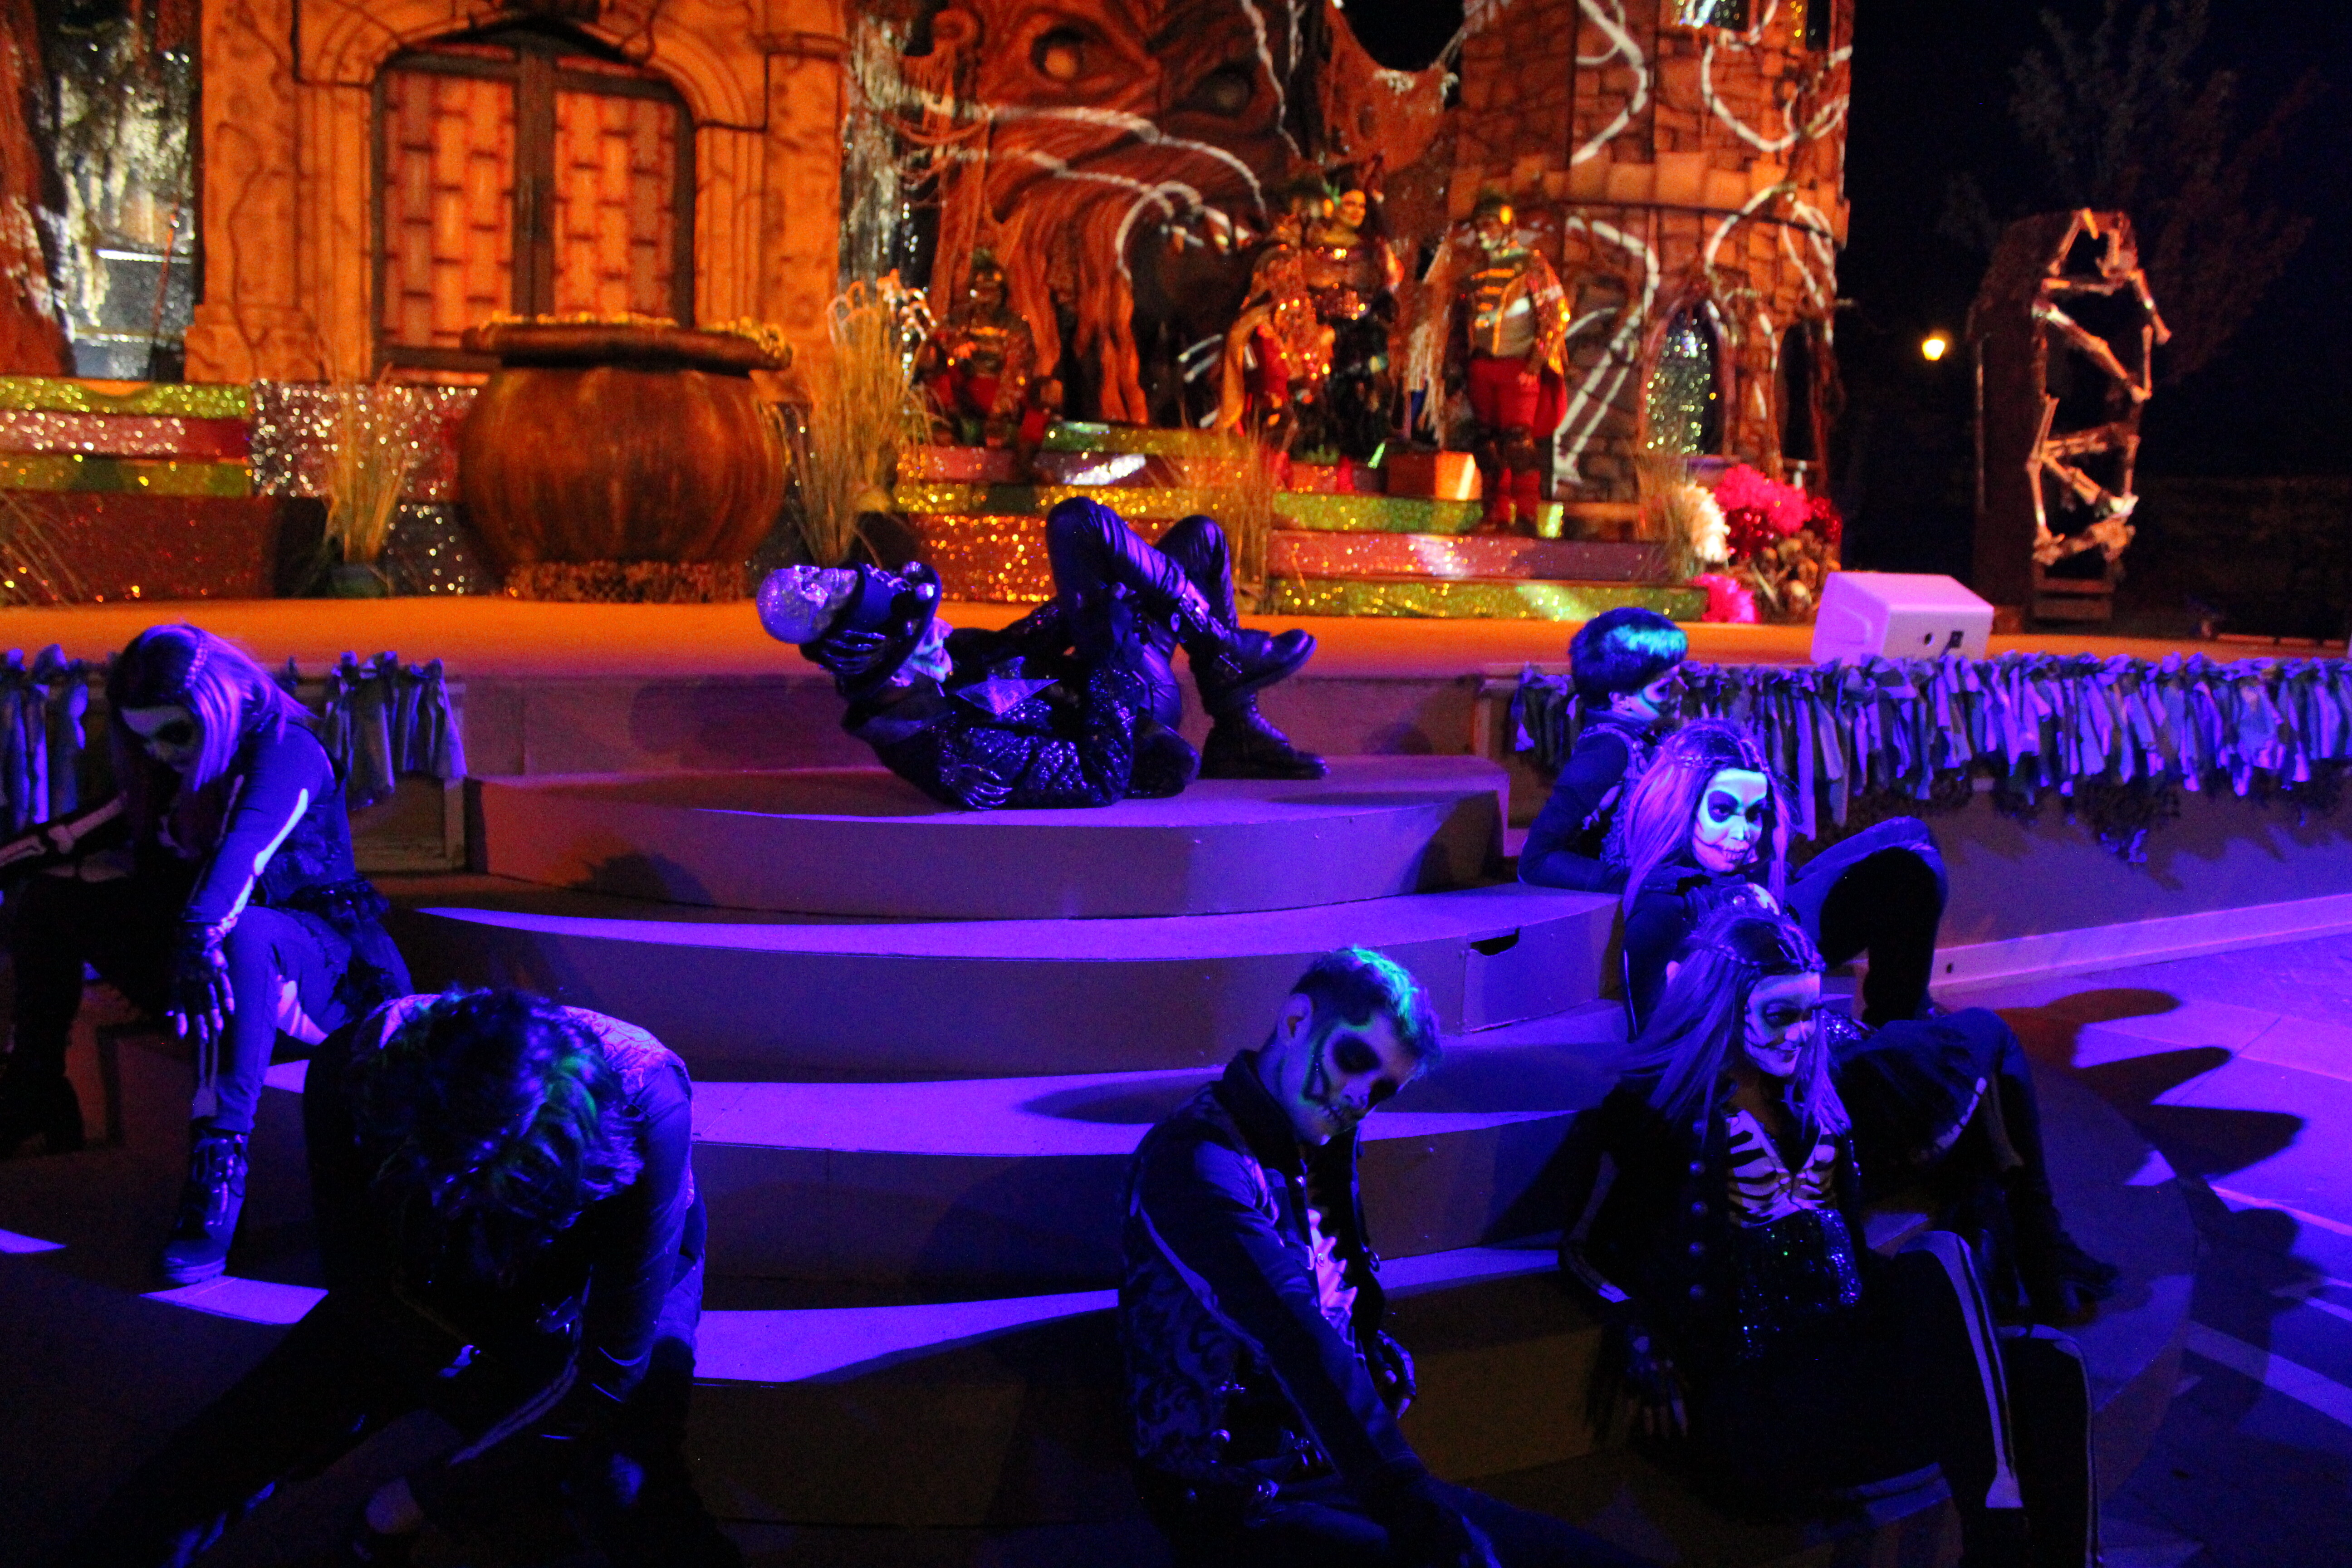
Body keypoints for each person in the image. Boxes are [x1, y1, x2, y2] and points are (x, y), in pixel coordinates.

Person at [58, 988, 737, 1568]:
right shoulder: (355, 1068)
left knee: (624, 1477)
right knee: (239, 1442)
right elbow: (365, 1289)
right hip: (436, 1265)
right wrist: (488, 1422)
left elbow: (608, 1374)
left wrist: (408, 1501)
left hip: (595, 1269)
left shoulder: (646, 1092)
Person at [1558, 907, 2096, 1568]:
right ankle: (1997, 1541)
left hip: (1849, 1348)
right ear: (1725, 1010)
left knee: (2051, 1363)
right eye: (1780, 1015)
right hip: (1761, 1389)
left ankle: (2027, 1548)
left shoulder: (1819, 1100)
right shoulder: (1652, 1114)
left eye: (1811, 1013)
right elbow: (1581, 1249)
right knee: (1940, 1262)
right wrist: (1637, 1329)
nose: (1801, 1033)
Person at [1122, 946, 1647, 1568]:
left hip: (1326, 1471)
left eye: (1381, 1090)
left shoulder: (1319, 1135)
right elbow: (1288, 1329)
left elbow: (1319, 1297)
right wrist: (1414, 1510)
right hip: (1233, 1493)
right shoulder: (1195, 1158)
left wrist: (1365, 1343)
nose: (1358, 1098)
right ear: (1295, 1022)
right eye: (1353, 1060)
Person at [1612, 720, 2116, 1325]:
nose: (1743, 832)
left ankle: (2015, 1235)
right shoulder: (1667, 909)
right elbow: (1664, 1058)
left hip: (1810, 1061)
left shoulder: (1736, 884)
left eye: (1755, 814)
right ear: (1679, 809)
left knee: (1909, 850)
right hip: (1789, 1097)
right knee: (1989, 1035)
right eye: (1721, 811)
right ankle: (2039, 1246)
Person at [0, 624, 410, 1286]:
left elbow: (239, 862)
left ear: (218, 705)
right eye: (145, 738)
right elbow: (71, 835)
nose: (161, 752)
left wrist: (196, 938)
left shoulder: (287, 751)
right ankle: (34, 1085)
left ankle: (217, 1172)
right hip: (218, 969)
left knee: (238, 930)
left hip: (326, 979)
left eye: (175, 733)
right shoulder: (176, 769)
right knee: (50, 899)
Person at [759, 497, 1324, 805]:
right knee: (1078, 525)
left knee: (1200, 539)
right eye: (924, 632)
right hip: (1129, 707)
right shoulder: (955, 750)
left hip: (1107, 666)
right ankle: (1225, 655)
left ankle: (1237, 725)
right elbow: (1100, 779)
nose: (943, 628)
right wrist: (1111, 650)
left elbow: (1018, 643)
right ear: (897, 675)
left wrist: (1094, 597)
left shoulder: (930, 671)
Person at [1519, 609, 1688, 892]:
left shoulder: (1640, 738)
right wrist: (1637, 883)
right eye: (1664, 688)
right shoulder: (1608, 750)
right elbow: (1535, 861)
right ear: (1620, 699)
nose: (1681, 691)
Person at [1446, 193, 1569, 534]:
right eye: (1478, 226)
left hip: (1519, 368)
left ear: (1507, 226)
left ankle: (1527, 516)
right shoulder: (1475, 274)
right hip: (1482, 367)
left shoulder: (1531, 265)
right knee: (1487, 443)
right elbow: (1460, 326)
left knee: (1519, 442)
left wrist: (1536, 362)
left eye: (1489, 225)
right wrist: (1457, 370)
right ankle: (1495, 513)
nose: (1482, 232)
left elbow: (1556, 315)